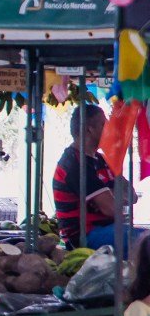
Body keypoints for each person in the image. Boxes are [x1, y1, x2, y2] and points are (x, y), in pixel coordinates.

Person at [52, 104, 145, 249]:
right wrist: (111, 195)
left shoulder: (101, 159)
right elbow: (111, 208)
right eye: (103, 125)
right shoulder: (74, 163)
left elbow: (132, 196)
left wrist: (110, 195)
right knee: (145, 242)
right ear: (89, 129)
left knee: (144, 238)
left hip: (110, 229)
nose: (108, 129)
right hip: (85, 237)